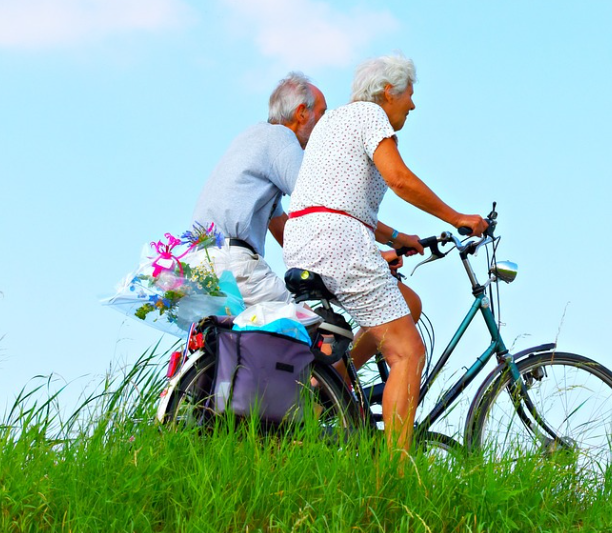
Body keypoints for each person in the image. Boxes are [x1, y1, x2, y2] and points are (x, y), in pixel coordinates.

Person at [283, 54, 488, 452]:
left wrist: (395, 237)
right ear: (389, 91)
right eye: (410, 94)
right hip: (338, 241)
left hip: (307, 239)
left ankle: (331, 386)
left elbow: (335, 198)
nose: (412, 105)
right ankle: (393, 477)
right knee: (408, 352)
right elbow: (399, 178)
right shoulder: (371, 115)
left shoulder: (335, 121)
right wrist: (457, 217)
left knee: (407, 303)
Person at [190, 72, 327, 306]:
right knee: (310, 327)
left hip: (200, 265)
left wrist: (323, 265)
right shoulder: (281, 138)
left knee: (241, 339)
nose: (325, 125)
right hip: (233, 264)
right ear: (302, 112)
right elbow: (321, 202)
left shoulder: (252, 137)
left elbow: (280, 225)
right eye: (322, 114)